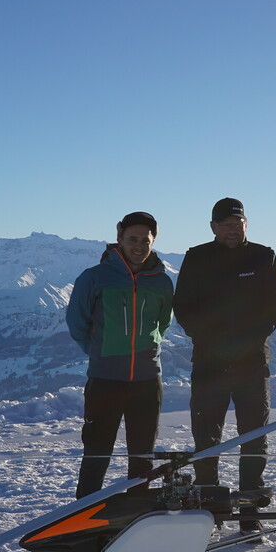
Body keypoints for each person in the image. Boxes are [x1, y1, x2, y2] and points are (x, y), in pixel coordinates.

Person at [173, 197, 276, 533]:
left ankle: (250, 516)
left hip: (252, 363)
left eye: (237, 224)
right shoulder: (197, 257)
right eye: (225, 225)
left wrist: (249, 341)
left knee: (254, 437)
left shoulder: (262, 256)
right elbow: (183, 306)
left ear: (246, 225)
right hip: (209, 364)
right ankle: (210, 513)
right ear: (213, 228)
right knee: (206, 438)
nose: (232, 230)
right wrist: (208, 340)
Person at [66, 211, 174, 498]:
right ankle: (84, 517)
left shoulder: (162, 281)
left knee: (143, 458)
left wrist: (146, 351)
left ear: (153, 242)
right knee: (97, 454)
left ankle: (135, 517)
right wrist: (101, 352)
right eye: (132, 239)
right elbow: (77, 323)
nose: (139, 245)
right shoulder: (95, 277)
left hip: (147, 381)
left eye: (145, 240)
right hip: (104, 380)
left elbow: (163, 323)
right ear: (119, 239)